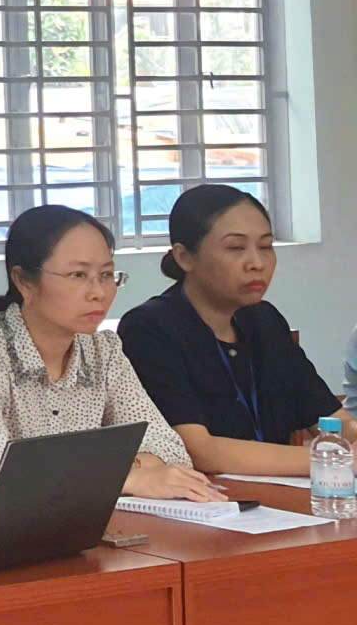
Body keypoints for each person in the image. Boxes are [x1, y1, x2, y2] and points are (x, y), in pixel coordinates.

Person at [0, 206, 219, 502]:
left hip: (68, 517)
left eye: (106, 275)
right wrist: (126, 477)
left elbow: (169, 449)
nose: (99, 292)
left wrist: (110, 472)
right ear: (24, 281)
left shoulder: (103, 351)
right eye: (78, 275)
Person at [117, 185, 354, 478]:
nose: (257, 263)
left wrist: (348, 440)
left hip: (279, 495)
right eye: (235, 248)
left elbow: (333, 422)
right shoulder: (149, 328)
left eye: (266, 247)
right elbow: (199, 451)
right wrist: (336, 459)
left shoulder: (265, 320)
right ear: (185, 257)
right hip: (205, 498)